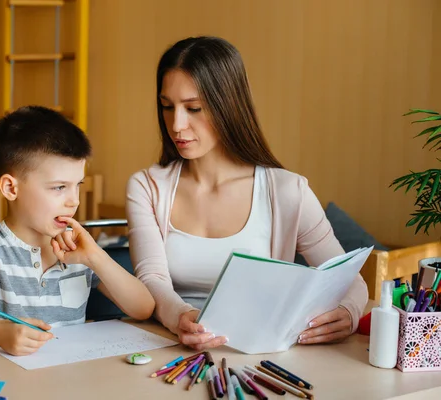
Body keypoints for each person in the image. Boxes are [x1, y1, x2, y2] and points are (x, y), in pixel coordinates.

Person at [126, 36, 367, 351]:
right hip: (171, 348)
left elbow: (349, 279)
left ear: (228, 105)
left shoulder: (287, 191)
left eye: (193, 108)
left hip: (260, 355)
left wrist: (348, 313)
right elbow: (151, 279)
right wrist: (183, 316)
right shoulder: (148, 187)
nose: (177, 124)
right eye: (167, 107)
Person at [0, 106, 155, 356]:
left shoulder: (78, 252)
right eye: (58, 188)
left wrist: (95, 258)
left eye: (77, 185)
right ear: (11, 188)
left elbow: (143, 308)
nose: (74, 201)